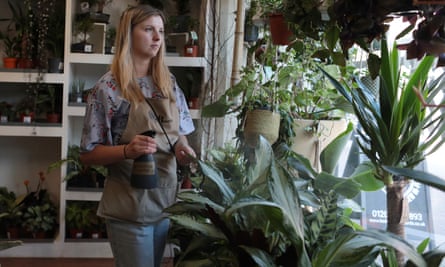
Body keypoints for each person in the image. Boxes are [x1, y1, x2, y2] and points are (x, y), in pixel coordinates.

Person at [79, 5, 196, 267]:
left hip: (164, 205)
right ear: (128, 35)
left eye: (161, 31)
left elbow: (180, 136)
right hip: (129, 209)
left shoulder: (169, 83)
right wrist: (126, 151)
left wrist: (182, 150)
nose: (157, 37)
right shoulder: (108, 88)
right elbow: (87, 154)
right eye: (148, 29)